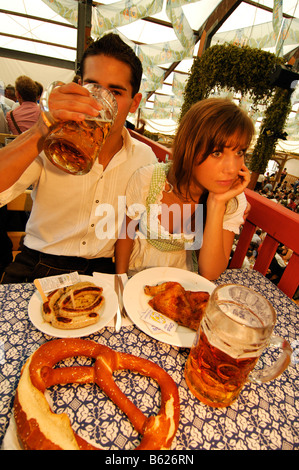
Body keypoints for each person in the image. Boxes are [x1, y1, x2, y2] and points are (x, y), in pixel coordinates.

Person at [0, 33, 157, 283]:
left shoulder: (144, 157)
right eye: (93, 88)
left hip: (101, 271)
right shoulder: (52, 139)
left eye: (115, 93)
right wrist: (41, 130)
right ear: (79, 85)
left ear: (134, 102)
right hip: (39, 262)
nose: (98, 104)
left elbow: (141, 222)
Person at [115, 98, 254, 280]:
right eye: (217, 153)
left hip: (183, 285)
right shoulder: (148, 179)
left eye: (239, 152)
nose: (231, 168)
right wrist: (120, 282)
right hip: (137, 276)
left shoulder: (233, 200)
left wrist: (216, 203)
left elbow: (211, 272)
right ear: (188, 148)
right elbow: (127, 234)